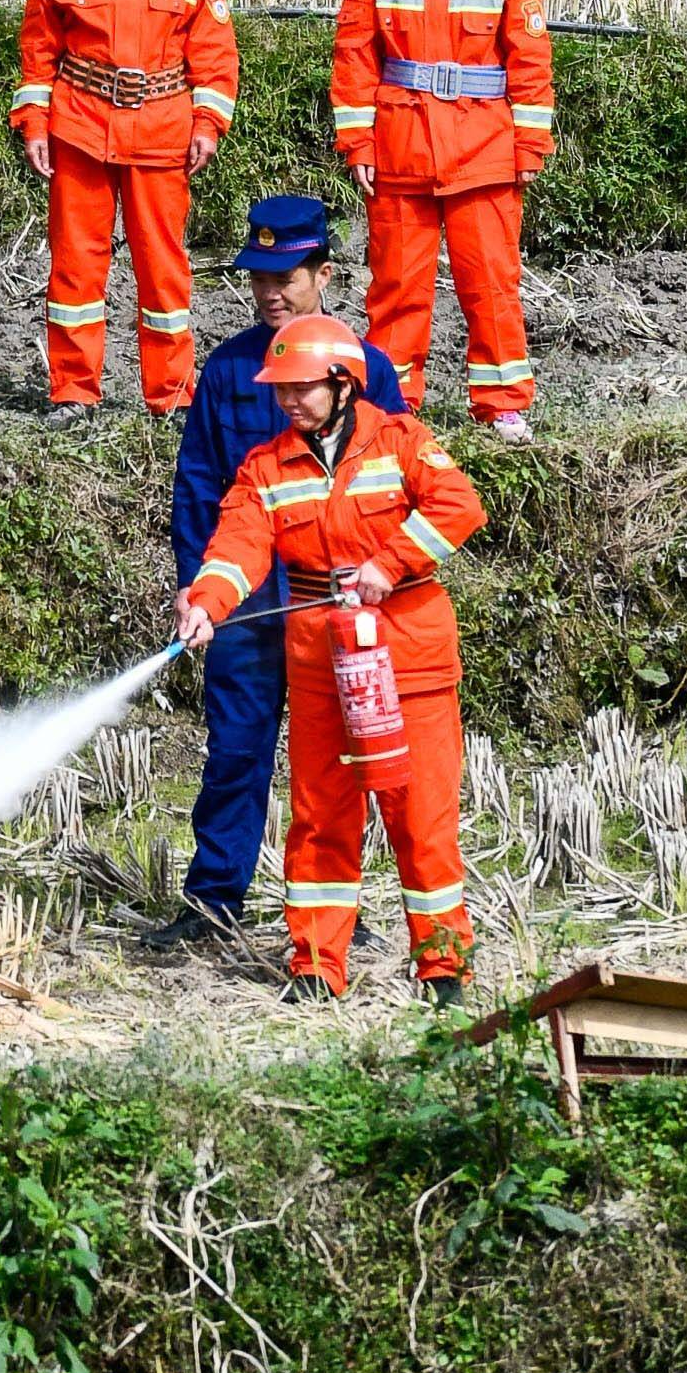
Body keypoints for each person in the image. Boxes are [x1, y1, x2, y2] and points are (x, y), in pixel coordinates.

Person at [175, 313, 487, 1006]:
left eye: (302, 388)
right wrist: (208, 602)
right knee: (320, 815)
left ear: (343, 383)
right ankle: (316, 964)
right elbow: (238, 543)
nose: (288, 400)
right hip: (321, 657)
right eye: (282, 389)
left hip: (409, 654)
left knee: (421, 816)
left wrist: (388, 563)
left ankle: (444, 968)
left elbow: (459, 506)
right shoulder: (267, 465)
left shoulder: (401, 440)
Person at [169, 195, 410, 942]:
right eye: (259, 277)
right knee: (236, 751)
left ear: (324, 274)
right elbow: (200, 488)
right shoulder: (228, 369)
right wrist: (203, 592)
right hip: (245, 607)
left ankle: (336, 912)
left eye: (288, 275)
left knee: (337, 765)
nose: (271, 291)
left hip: (333, 611)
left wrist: (378, 576)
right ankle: (214, 901)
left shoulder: (365, 367)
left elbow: (398, 479)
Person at [332, 0, 554, 433]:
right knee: (397, 288)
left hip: (483, 151)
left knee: (491, 286)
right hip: (400, 151)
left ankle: (503, 408)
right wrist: (358, 142)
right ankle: (389, 413)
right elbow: (354, 58)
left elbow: (530, 60)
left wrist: (529, 146)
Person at [15, 0, 236, 414]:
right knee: (75, 269)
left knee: (163, 269)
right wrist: (34, 123)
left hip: (162, 133)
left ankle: (170, 396)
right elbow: (38, 50)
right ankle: (73, 391)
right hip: (80, 128)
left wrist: (208, 123)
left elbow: (214, 53)